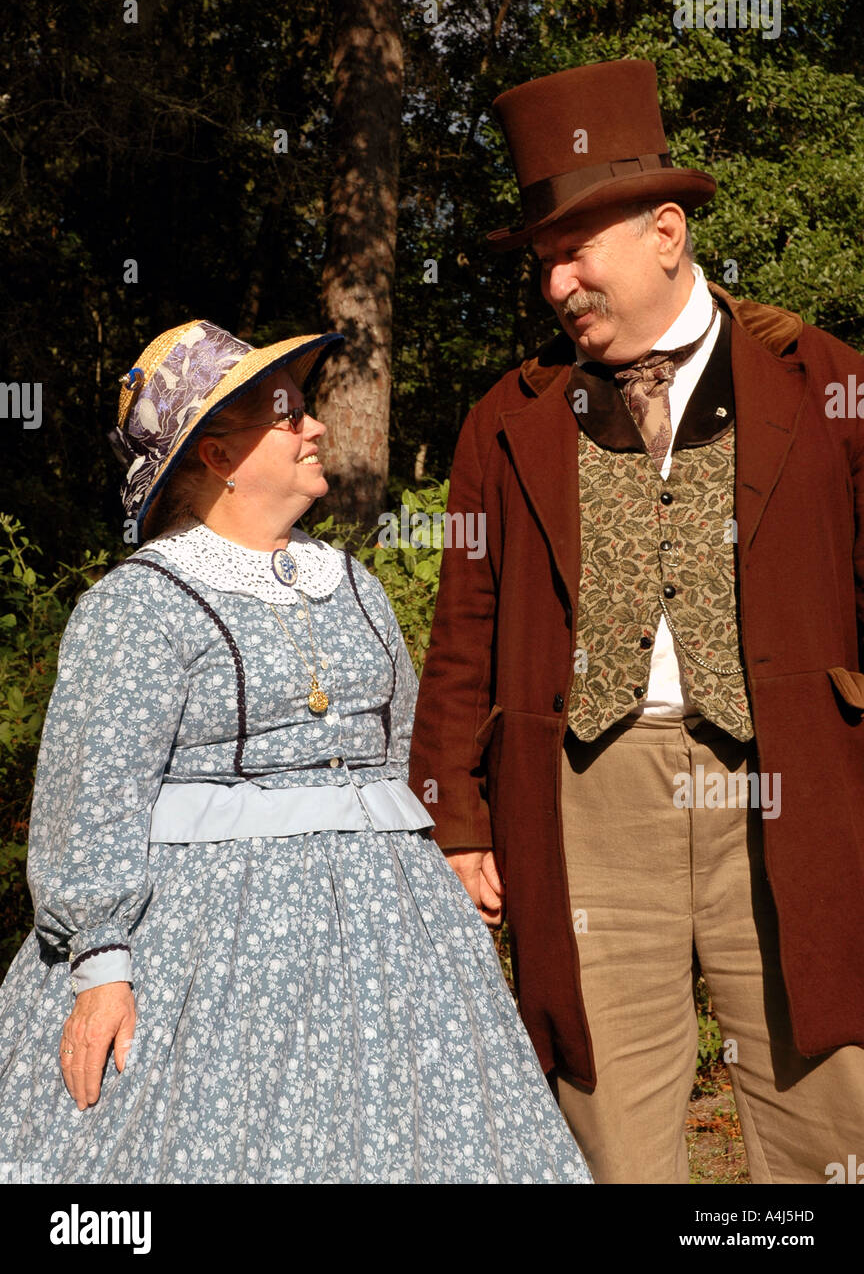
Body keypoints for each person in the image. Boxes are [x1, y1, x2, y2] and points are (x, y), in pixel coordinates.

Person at [408, 58, 864, 1184]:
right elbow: (464, 625)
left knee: (830, 1109)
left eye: (577, 250)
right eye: (544, 262)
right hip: (583, 796)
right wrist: (454, 817)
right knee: (605, 1121)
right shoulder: (506, 421)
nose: (558, 283)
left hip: (791, 781)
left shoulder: (826, 385)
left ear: (668, 232)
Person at [0, 318, 590, 1184]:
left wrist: (446, 855)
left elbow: (394, 760)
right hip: (212, 949)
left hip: (394, 936)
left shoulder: (350, 582)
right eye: (288, 417)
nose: (314, 428)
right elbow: (91, 803)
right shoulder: (139, 606)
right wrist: (101, 968)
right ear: (216, 457)